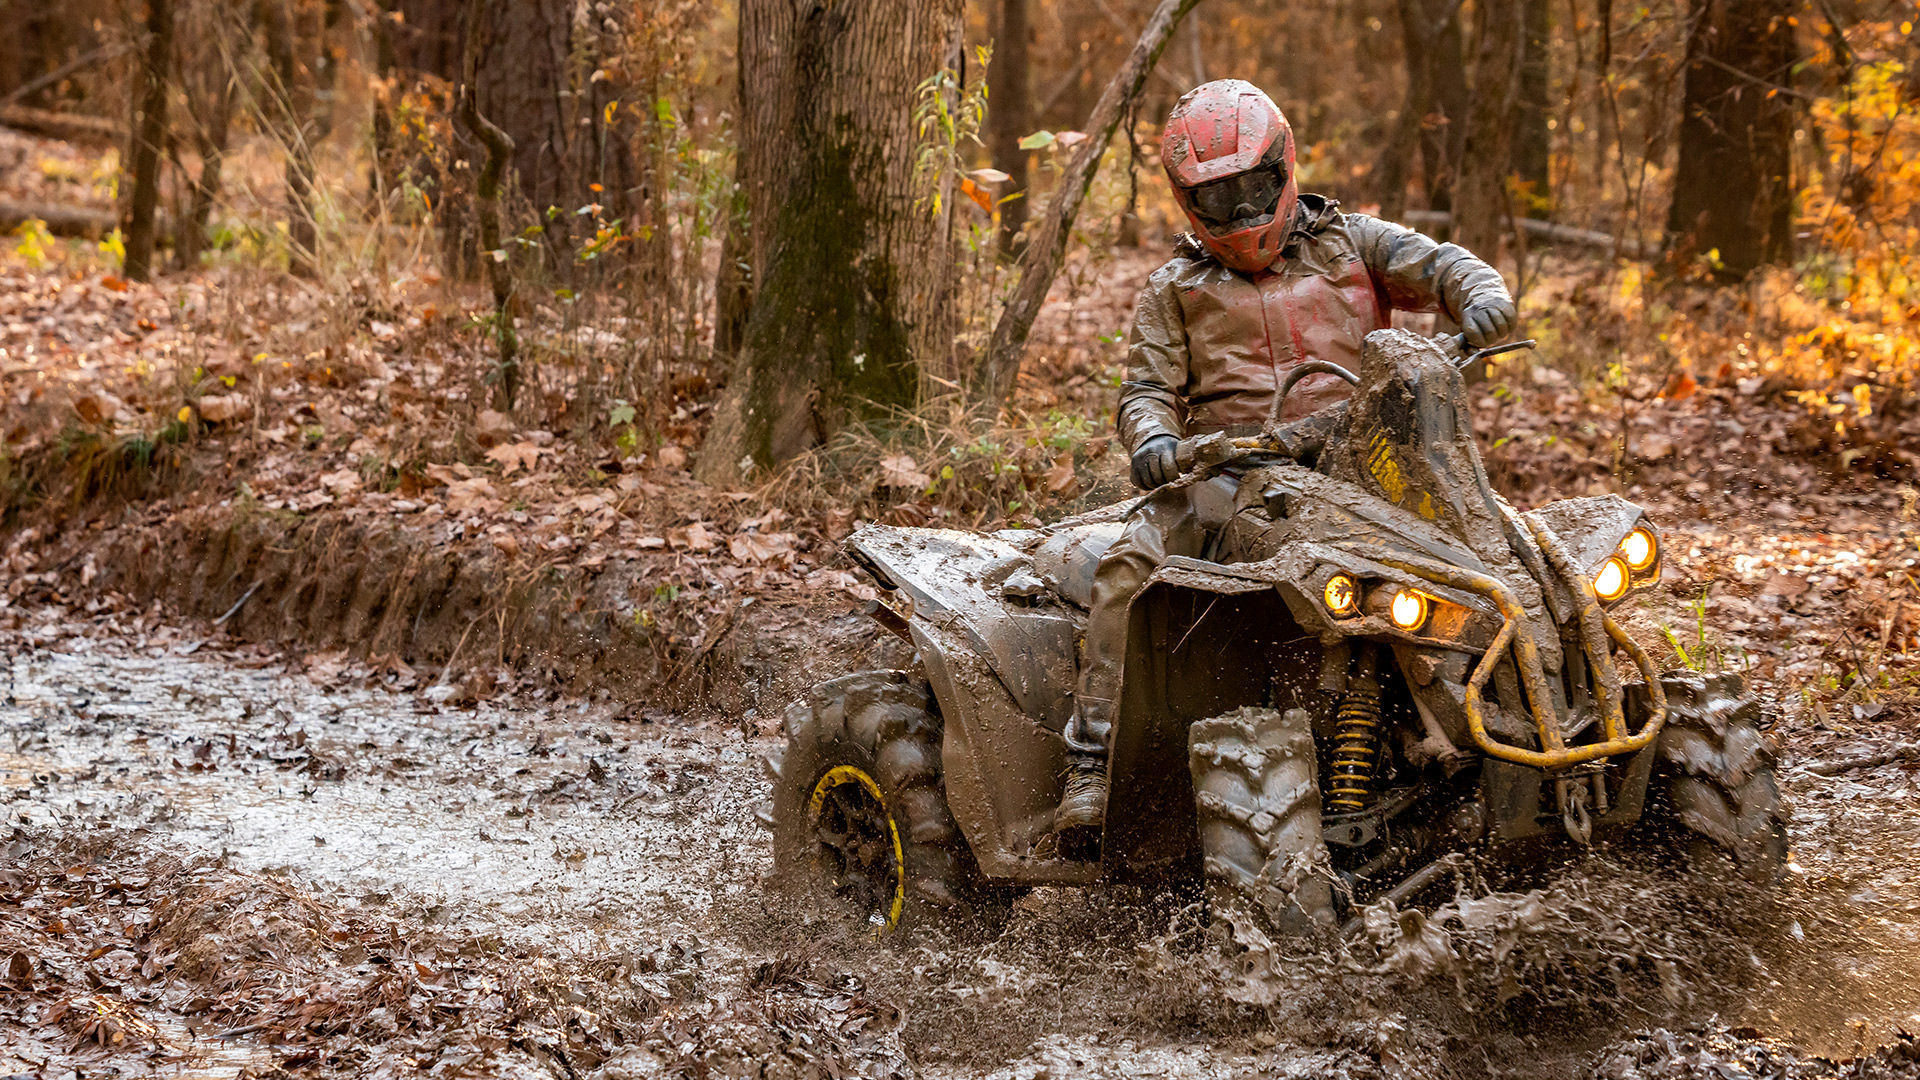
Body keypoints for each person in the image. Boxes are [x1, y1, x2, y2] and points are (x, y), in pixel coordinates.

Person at [1053, 79, 1517, 846]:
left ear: (1284, 168)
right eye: (1218, 198)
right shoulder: (1176, 288)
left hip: (1368, 458)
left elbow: (1443, 266)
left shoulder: (1354, 243)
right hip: (1231, 474)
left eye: (1252, 189)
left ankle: (1527, 714)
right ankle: (1092, 763)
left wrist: (1480, 293)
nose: (1240, 214)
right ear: (1185, 202)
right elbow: (1144, 389)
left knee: (1495, 549)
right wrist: (1153, 441)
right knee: (1130, 567)